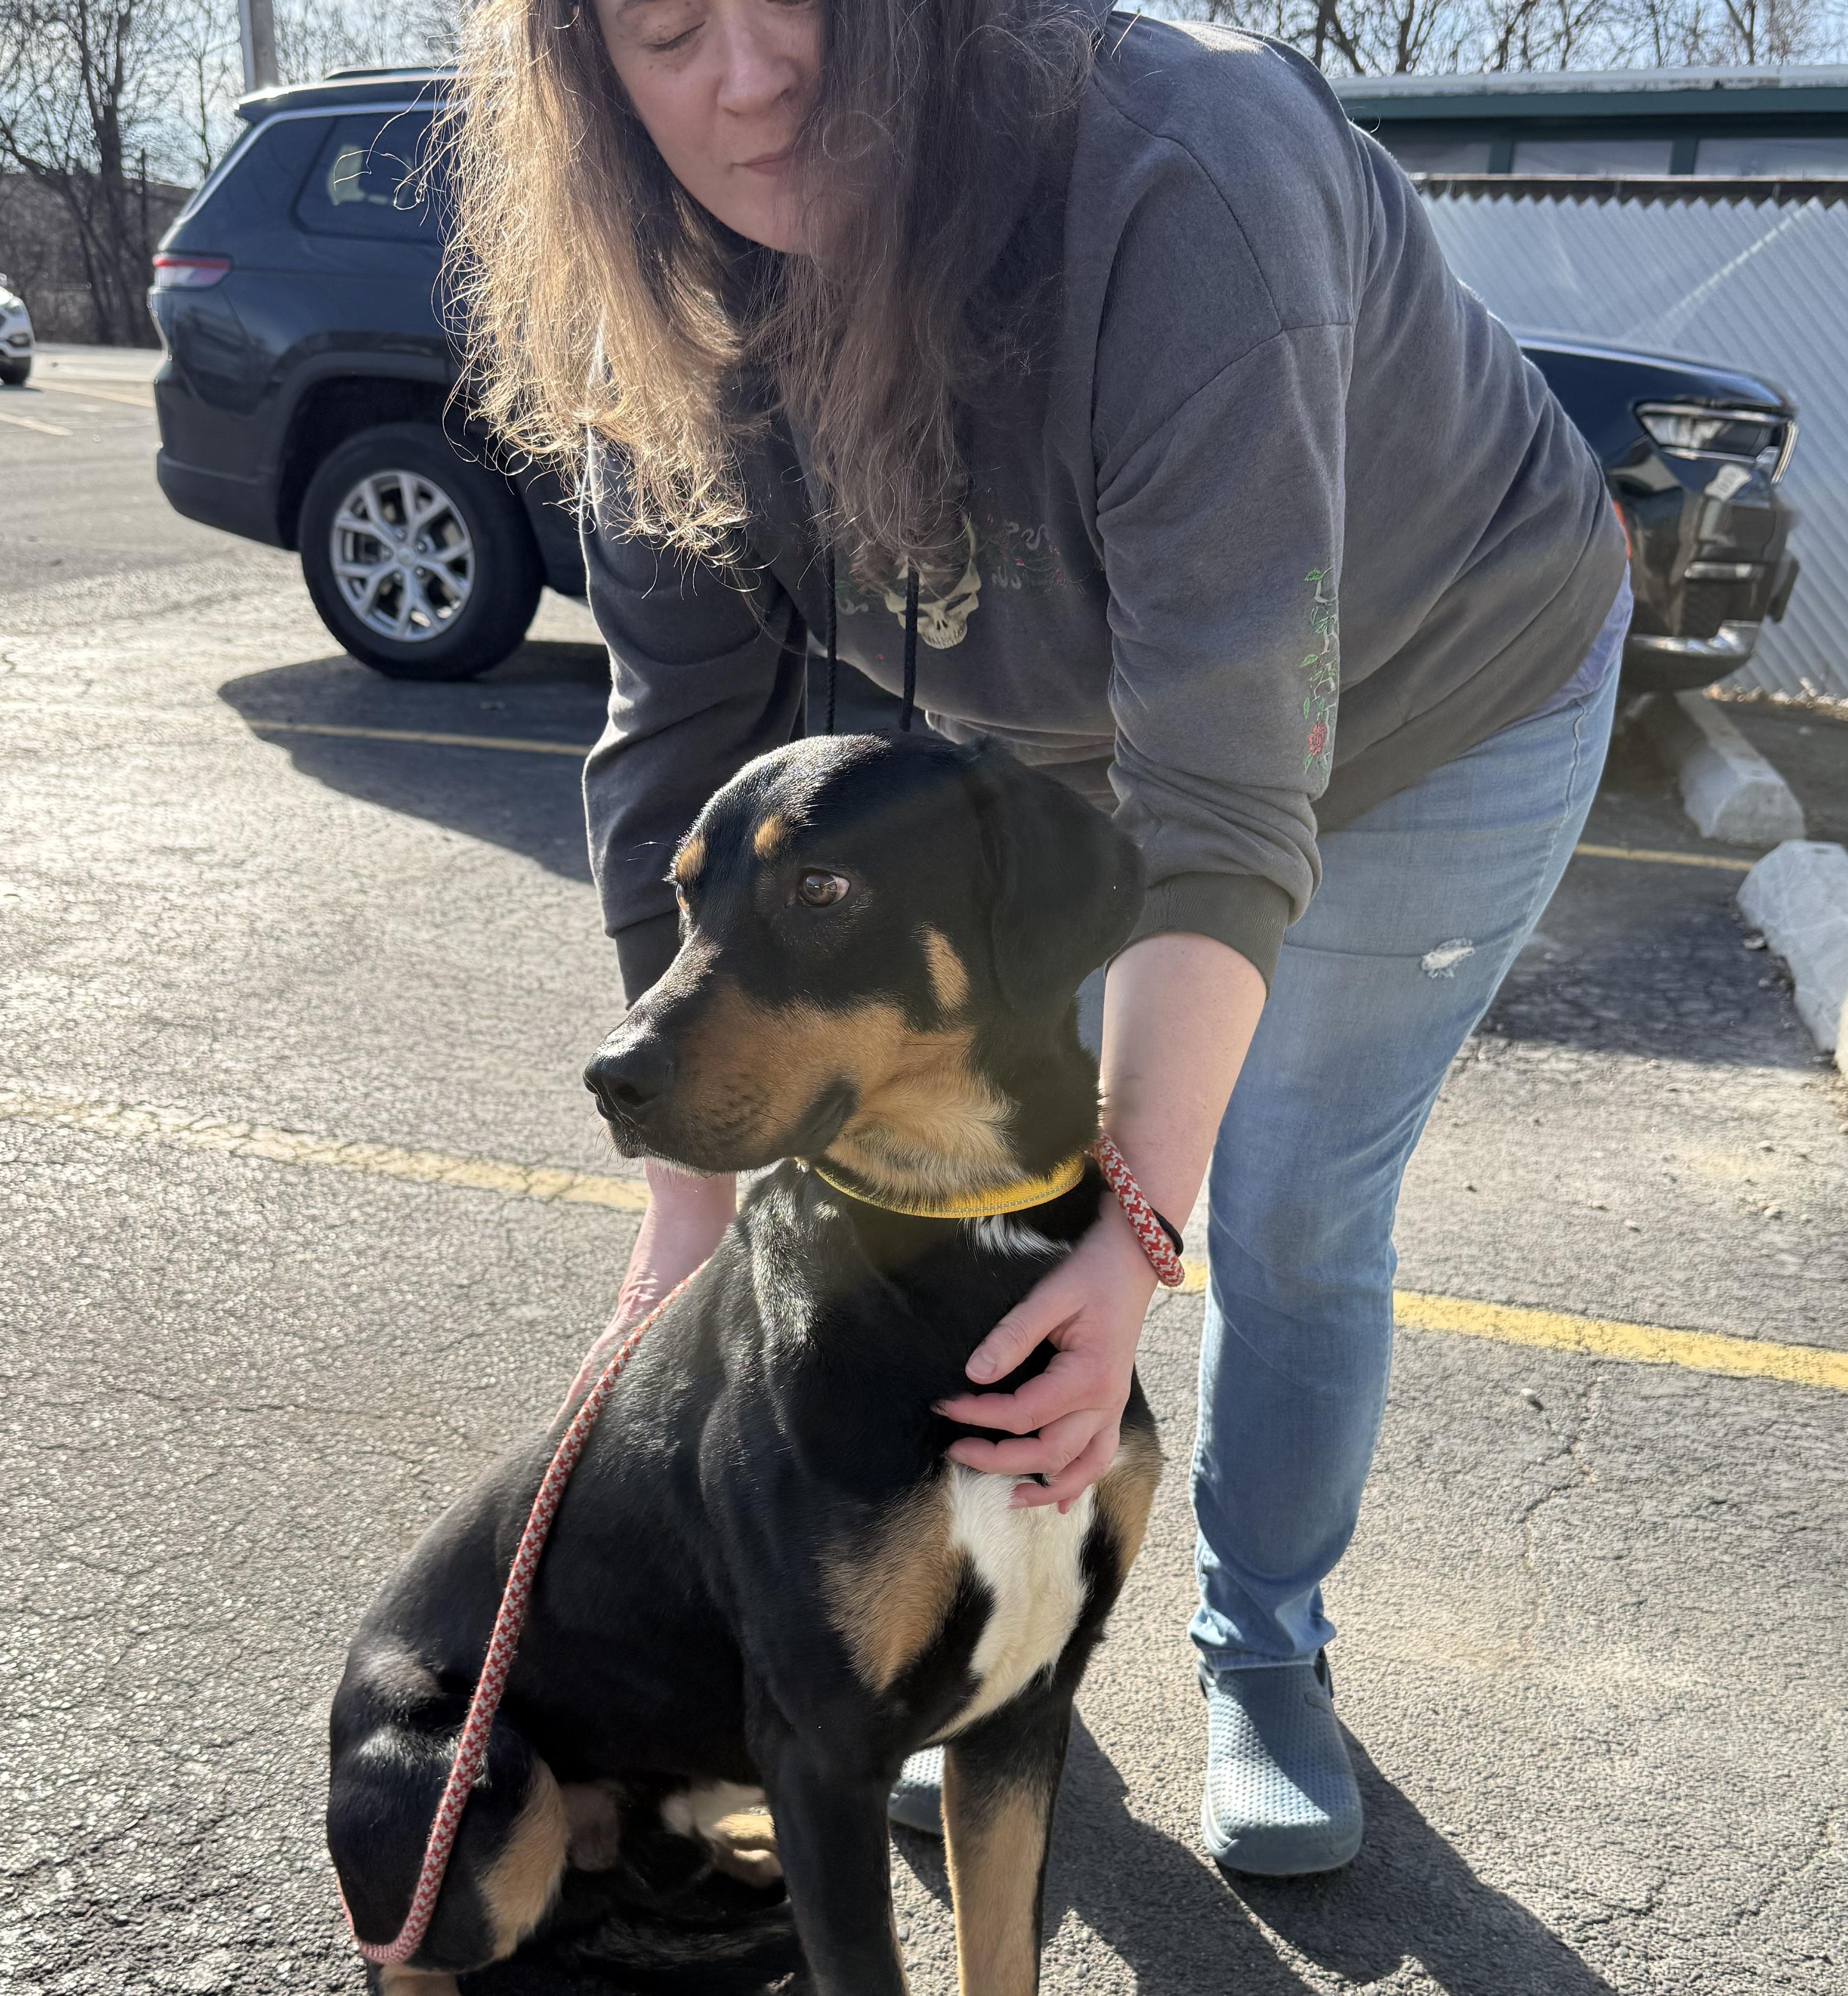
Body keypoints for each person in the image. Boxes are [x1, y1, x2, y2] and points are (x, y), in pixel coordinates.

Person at [451, 0, 1628, 1875]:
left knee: (1284, 1204)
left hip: (1432, 695)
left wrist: (1143, 1228)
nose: (746, 80)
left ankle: (1264, 1646)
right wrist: (686, 1195)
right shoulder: (654, 297)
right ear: (587, 72)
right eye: (667, 30)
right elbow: (678, 742)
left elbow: (1226, 794)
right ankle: (986, 1641)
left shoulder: (1183, 174)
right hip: (1057, 747)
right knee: (972, 1199)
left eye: (799, 5)